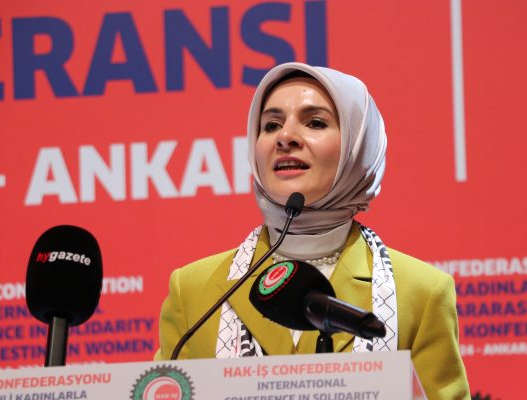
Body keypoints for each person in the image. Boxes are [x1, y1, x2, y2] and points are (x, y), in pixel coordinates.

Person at [154, 62, 470, 400]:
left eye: (315, 122)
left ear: (358, 146)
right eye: (271, 125)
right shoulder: (194, 292)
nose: (285, 137)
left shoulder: (421, 294)